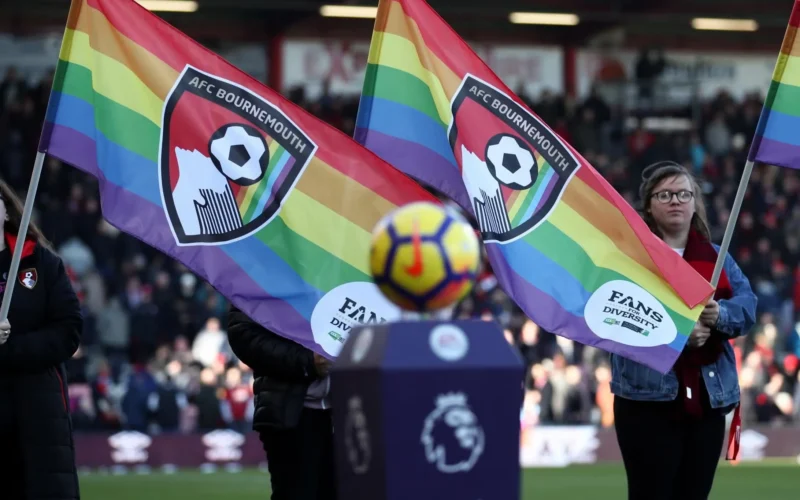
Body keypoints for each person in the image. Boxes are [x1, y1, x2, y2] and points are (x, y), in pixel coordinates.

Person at [611, 162, 757, 500]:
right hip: (644, 400)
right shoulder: (629, 260)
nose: (675, 201)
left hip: (709, 399)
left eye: (683, 194)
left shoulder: (719, 258)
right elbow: (613, 316)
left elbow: (747, 307)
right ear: (648, 205)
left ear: (695, 203)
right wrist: (676, 334)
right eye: (665, 195)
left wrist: (719, 314)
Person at [0, 180, 83, 499]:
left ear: (6, 209)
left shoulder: (43, 264)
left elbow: (69, 330)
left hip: (39, 412)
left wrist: (11, 349)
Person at [227, 305, 335, 500]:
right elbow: (244, 334)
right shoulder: (267, 276)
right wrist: (306, 361)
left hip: (353, 412)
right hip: (292, 412)